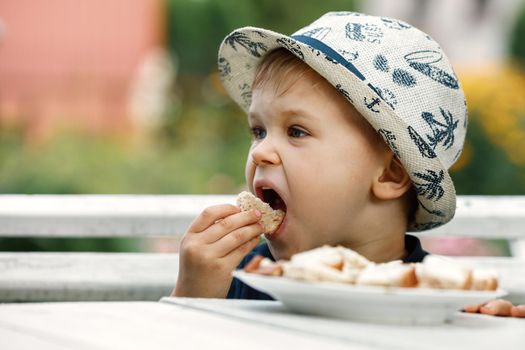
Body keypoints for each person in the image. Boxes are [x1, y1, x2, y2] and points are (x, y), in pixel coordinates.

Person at [172, 11, 524, 318]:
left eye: (296, 131)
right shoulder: (245, 278)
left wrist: (487, 332)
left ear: (390, 174)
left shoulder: (441, 296)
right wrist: (194, 297)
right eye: (259, 131)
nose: (261, 152)